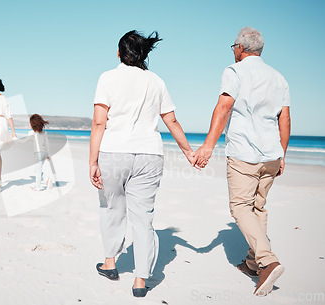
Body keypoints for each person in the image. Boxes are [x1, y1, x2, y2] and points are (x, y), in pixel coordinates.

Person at [89, 30, 196, 298]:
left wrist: (92, 160)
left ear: (118, 53)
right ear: (144, 55)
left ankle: (110, 263)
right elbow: (171, 120)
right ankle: (140, 280)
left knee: (112, 208)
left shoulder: (107, 78)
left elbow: (99, 122)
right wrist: (188, 152)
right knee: (143, 219)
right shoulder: (157, 81)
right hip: (150, 155)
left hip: (114, 151)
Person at [195, 26, 291, 297]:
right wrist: (282, 153)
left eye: (233, 47)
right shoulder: (279, 77)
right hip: (272, 154)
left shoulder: (234, 71)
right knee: (258, 207)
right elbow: (284, 118)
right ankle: (252, 264)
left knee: (240, 207)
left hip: (244, 153)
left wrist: (208, 146)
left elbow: (224, 107)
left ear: (239, 48)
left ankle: (266, 260)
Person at [28, 114, 52, 191]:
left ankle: (38, 187)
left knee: (38, 171)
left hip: (38, 154)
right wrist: (48, 154)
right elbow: (47, 144)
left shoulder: (32, 133)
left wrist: (14, 138)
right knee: (37, 169)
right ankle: (45, 180)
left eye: (30, 123)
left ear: (33, 124)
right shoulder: (44, 133)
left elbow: (23, 141)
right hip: (44, 153)